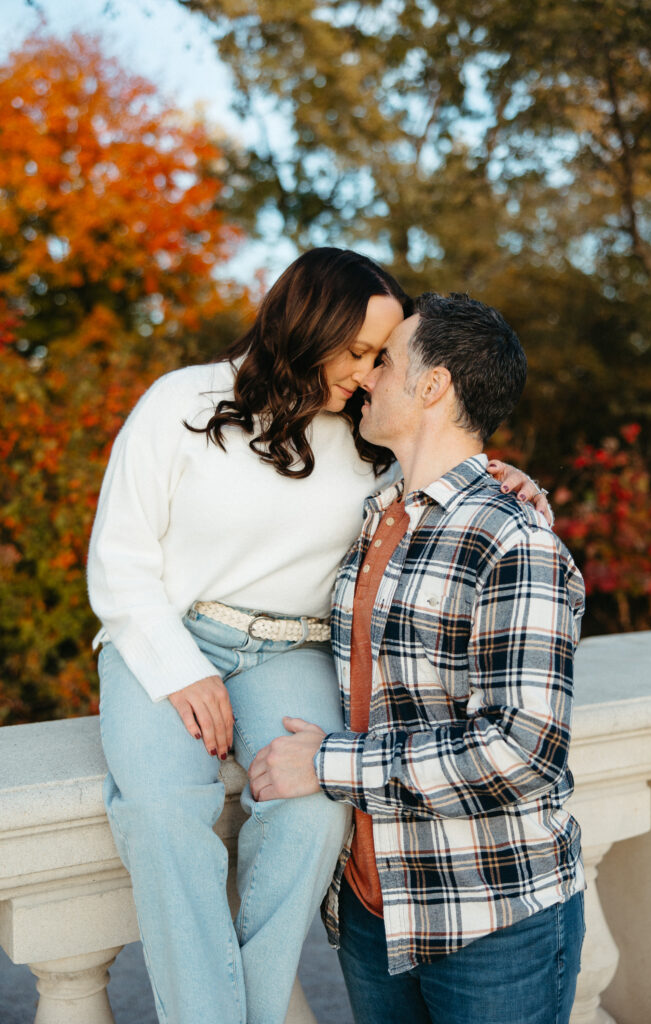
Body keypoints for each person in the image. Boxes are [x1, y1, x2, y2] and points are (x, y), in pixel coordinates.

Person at [88, 250, 549, 1024]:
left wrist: (507, 479)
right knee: (164, 817)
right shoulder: (180, 401)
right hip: (166, 636)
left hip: (292, 649)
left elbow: (441, 479)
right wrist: (178, 669)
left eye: (380, 358)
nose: (368, 374)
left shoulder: (367, 435)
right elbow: (119, 557)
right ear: (310, 326)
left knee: (312, 812)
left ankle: (250, 1008)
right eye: (358, 351)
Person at [249, 291, 586, 1024]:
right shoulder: (373, 514)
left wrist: (327, 764)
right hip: (374, 910)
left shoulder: (512, 538)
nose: (365, 376)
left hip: (490, 917)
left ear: (433, 385)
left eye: (386, 361)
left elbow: (522, 751)